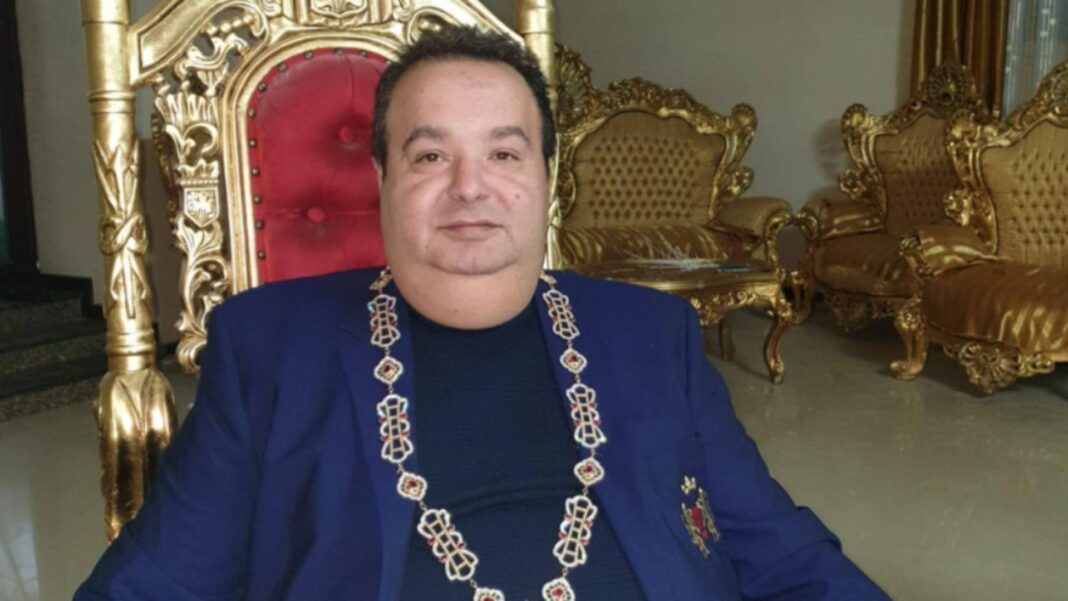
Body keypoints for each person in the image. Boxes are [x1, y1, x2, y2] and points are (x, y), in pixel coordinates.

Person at [75, 26, 889, 601]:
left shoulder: (652, 335)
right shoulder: (270, 348)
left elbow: (787, 558)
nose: (470, 187)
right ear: (383, 182)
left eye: (504, 152)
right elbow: (151, 585)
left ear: (545, 180)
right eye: (430, 155)